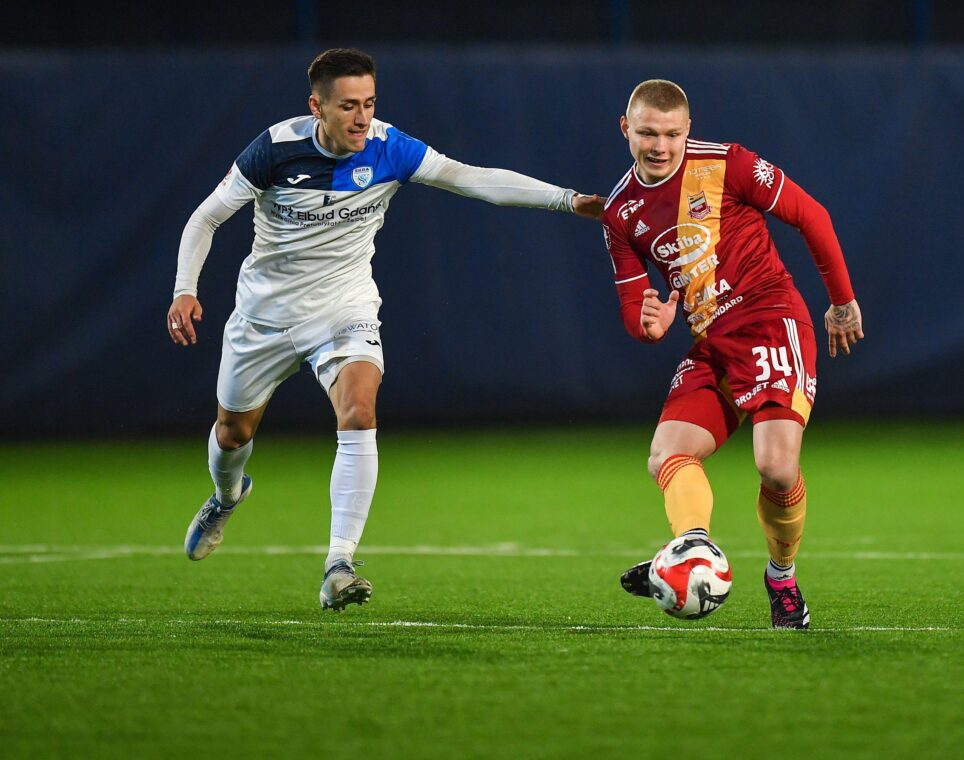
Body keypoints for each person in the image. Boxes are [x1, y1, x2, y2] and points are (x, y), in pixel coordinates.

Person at [168, 48, 603, 611]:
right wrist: (185, 288)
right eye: (347, 106)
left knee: (360, 409)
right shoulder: (274, 150)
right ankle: (226, 498)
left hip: (344, 309)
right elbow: (205, 217)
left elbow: (470, 179)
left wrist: (566, 201)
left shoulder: (389, 147)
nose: (361, 118)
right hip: (264, 317)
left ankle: (339, 563)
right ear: (316, 106)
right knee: (233, 435)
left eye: (369, 103)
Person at [600, 79, 862, 629]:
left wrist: (841, 302)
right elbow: (634, 310)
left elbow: (812, 215)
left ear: (687, 130)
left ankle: (782, 577)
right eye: (647, 132)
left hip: (771, 320)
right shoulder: (621, 211)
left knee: (776, 466)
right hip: (713, 345)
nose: (659, 146)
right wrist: (653, 326)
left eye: (672, 134)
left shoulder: (729, 165)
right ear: (627, 129)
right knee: (666, 454)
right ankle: (692, 549)